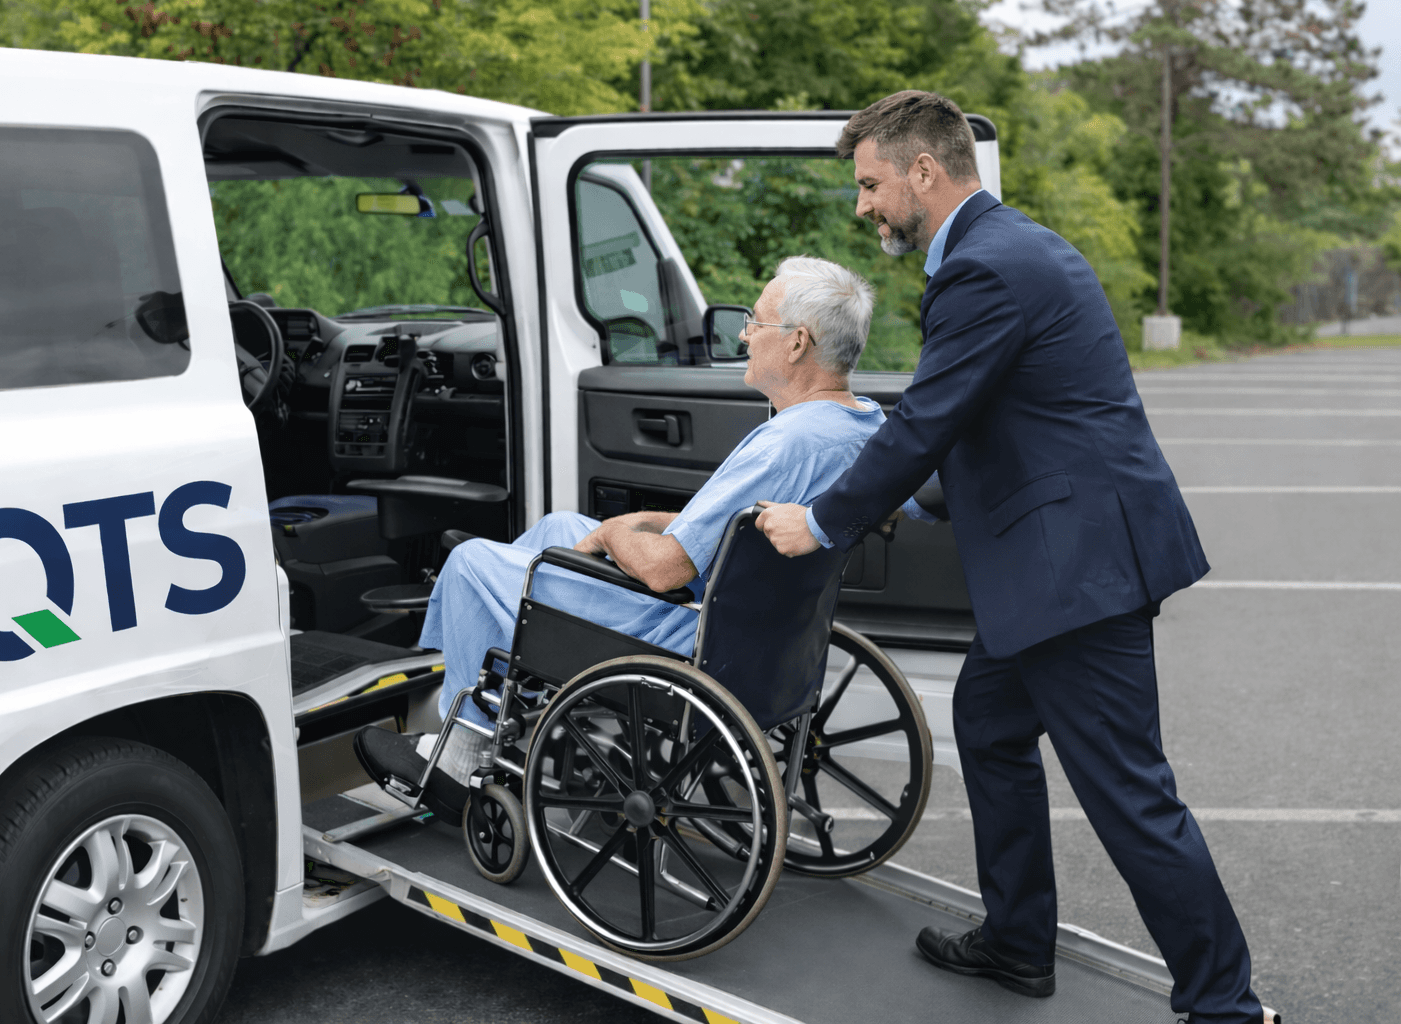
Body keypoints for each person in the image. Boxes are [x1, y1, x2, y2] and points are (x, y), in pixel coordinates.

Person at [755, 92, 1269, 1024]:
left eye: (871, 184)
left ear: (924, 171)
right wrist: (912, 479)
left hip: (1077, 576)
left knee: (1130, 798)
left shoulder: (986, 268)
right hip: (1064, 561)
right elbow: (1000, 417)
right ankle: (1019, 942)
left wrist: (825, 518)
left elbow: (933, 417)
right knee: (990, 725)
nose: (863, 205)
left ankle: (1224, 1005)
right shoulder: (1004, 249)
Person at [354, 255, 909, 825]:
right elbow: (743, 525)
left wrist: (622, 532)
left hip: (682, 632)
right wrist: (646, 519)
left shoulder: (783, 444)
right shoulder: (861, 426)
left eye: (755, 322)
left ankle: (462, 751)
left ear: (796, 344)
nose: (743, 334)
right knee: (559, 528)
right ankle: (508, 703)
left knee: (471, 562)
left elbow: (667, 570)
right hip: (757, 630)